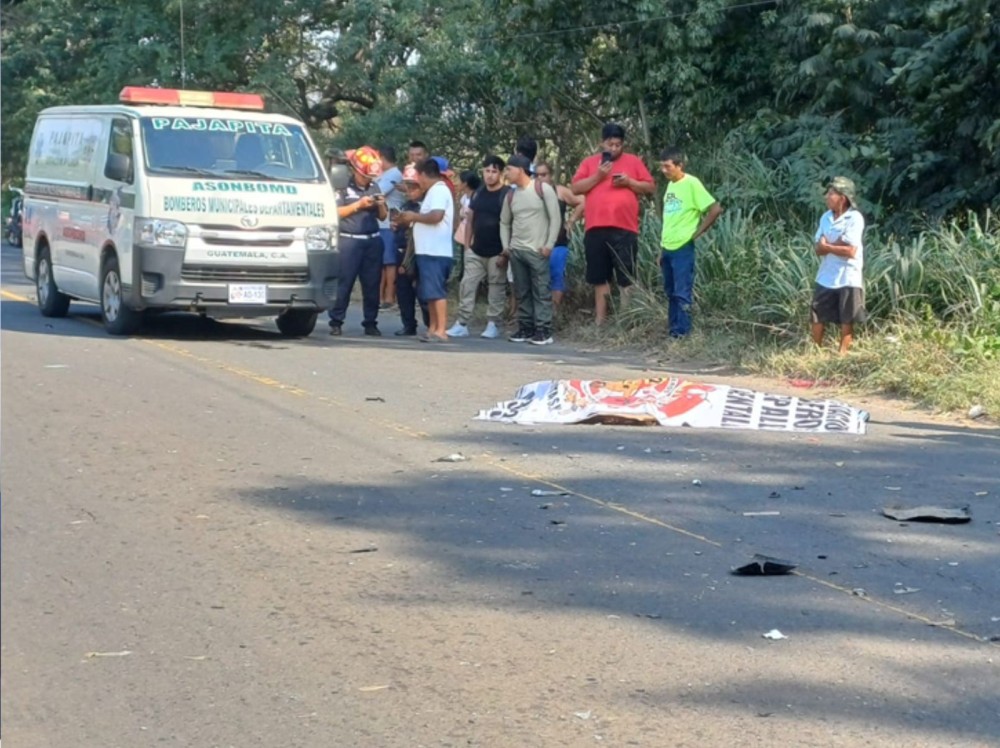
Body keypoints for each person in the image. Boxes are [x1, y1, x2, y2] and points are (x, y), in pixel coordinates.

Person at [571, 123, 656, 325]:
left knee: (626, 275)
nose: (614, 149)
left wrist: (630, 183)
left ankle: (625, 321)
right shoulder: (590, 163)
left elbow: (650, 186)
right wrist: (599, 176)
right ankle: (600, 321)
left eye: (618, 145)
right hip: (595, 228)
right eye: (610, 144)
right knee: (600, 277)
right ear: (602, 143)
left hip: (624, 228)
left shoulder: (633, 161)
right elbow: (575, 188)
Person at [658, 146, 723, 338]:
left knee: (682, 291)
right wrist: (660, 250)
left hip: (683, 247)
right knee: (670, 291)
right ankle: (673, 330)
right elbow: (669, 221)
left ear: (680, 165)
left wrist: (697, 233)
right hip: (668, 246)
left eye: (667, 166)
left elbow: (715, 208)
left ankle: (683, 332)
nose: (664, 171)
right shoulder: (670, 186)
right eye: (662, 166)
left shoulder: (692, 183)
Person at [500, 154, 561, 345]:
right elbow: (504, 222)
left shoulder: (542, 189)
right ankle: (525, 328)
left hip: (537, 250)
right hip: (517, 251)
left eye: (509, 169)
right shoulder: (511, 195)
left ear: (520, 169)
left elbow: (555, 218)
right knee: (522, 290)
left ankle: (543, 330)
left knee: (541, 290)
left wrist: (549, 245)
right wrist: (506, 247)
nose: (506, 173)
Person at [447, 156, 509, 339]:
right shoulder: (479, 192)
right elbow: (470, 219)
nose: (490, 175)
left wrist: (506, 252)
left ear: (501, 173)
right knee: (467, 284)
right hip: (476, 249)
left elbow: (511, 223)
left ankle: (493, 324)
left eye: (494, 171)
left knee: (496, 287)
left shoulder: (507, 194)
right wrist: (467, 247)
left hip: (497, 250)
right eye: (487, 171)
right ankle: (462, 322)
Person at [328, 146, 387, 336]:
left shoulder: (374, 186)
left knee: (372, 284)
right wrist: (358, 205)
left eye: (370, 177)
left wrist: (380, 205)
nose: (367, 180)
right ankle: (336, 321)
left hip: (372, 241)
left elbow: (383, 217)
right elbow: (336, 212)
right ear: (355, 170)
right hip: (349, 241)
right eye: (364, 176)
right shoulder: (342, 186)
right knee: (344, 283)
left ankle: (370, 322)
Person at [395, 158, 455, 342]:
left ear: (422, 174)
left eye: (418, 176)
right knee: (429, 291)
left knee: (437, 291)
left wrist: (415, 216)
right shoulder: (432, 192)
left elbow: (436, 216)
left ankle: (441, 330)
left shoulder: (439, 190)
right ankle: (433, 327)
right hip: (427, 250)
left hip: (436, 251)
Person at [811, 176, 866, 354]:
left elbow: (851, 251)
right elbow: (818, 248)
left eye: (832, 193)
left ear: (843, 198)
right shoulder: (825, 217)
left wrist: (828, 246)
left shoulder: (854, 218)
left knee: (846, 317)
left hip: (848, 276)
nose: (827, 196)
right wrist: (835, 245)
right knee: (817, 313)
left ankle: (842, 354)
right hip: (826, 274)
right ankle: (816, 350)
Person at [535, 162, 584, 307]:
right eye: (537, 175)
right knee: (538, 278)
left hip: (558, 241)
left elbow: (582, 202)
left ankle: (555, 312)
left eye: (543, 175)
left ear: (550, 176)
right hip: (536, 242)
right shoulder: (531, 193)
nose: (540, 178)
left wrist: (571, 221)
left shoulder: (560, 191)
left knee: (557, 275)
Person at [391, 163, 430, 336]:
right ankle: (408, 324)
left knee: (423, 292)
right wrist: (396, 224)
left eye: (414, 187)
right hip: (401, 249)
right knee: (403, 292)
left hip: (420, 252)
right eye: (408, 187)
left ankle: (431, 324)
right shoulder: (406, 205)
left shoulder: (427, 206)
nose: (410, 191)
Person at [376, 145, 405, 309]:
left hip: (388, 224)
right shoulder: (384, 174)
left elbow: (379, 193)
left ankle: (389, 298)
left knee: (389, 262)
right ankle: (379, 296)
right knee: (381, 262)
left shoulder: (394, 174)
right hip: (380, 224)